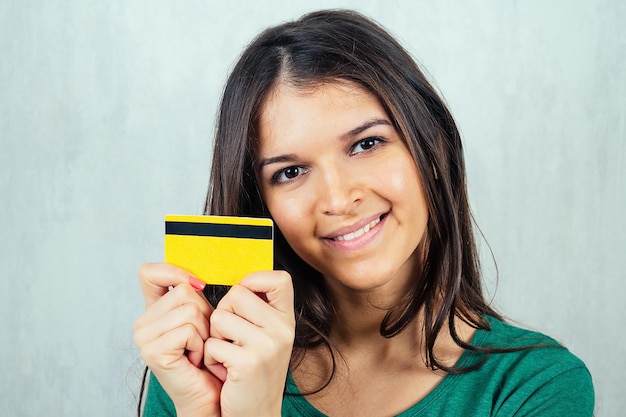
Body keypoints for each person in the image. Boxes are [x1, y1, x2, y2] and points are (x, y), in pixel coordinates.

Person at [133, 9, 594, 417]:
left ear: (431, 148)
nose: (336, 198)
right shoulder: (199, 368)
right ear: (263, 206)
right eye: (291, 171)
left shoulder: (538, 387)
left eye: (366, 144)